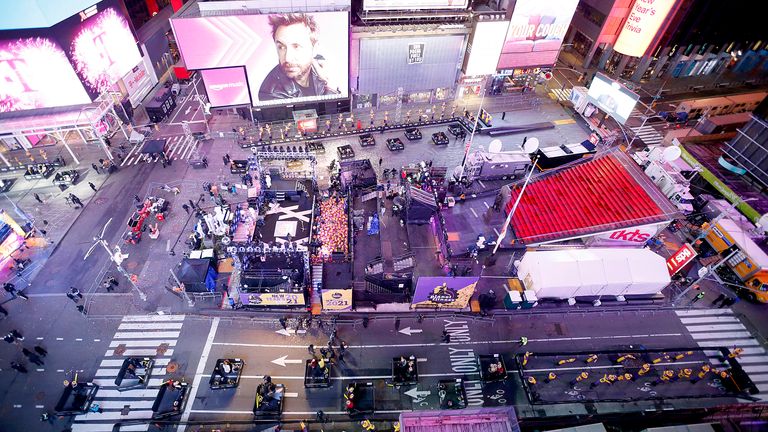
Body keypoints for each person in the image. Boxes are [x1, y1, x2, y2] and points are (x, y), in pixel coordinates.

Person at [258, 13, 339, 101]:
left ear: (315, 49)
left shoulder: (322, 67)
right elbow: (325, 113)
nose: (287, 58)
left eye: (296, 46)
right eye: (281, 47)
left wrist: (329, 82)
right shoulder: (271, 93)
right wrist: (331, 88)